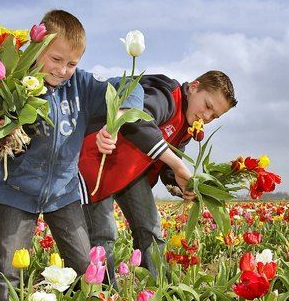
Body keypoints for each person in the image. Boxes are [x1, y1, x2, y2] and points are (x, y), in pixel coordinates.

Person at [0, 9, 143, 301]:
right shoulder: (8, 85)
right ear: (37, 48)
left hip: (64, 194)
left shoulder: (83, 87)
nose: (63, 70)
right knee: (6, 275)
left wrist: (116, 121)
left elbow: (131, 87)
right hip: (17, 194)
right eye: (56, 59)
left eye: (72, 63)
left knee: (85, 269)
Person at [79, 71, 237, 283]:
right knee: (104, 235)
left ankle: (156, 288)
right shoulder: (167, 95)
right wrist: (178, 164)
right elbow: (135, 120)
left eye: (215, 116)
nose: (207, 117)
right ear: (193, 87)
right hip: (97, 162)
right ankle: (103, 297)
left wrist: (182, 185)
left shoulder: (188, 125)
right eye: (208, 106)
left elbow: (167, 166)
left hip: (131, 174)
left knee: (150, 228)